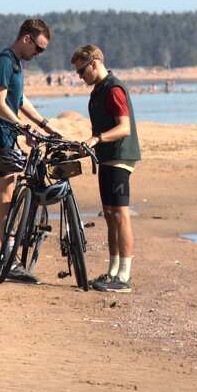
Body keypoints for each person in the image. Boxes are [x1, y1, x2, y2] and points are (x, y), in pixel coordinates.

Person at [0, 18, 59, 282]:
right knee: (7, 198)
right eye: (39, 48)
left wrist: (42, 124)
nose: (39, 54)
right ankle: (8, 261)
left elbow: (18, 100)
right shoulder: (4, 61)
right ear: (26, 39)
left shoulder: (15, 64)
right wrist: (22, 127)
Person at [72, 44, 141, 293]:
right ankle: (112, 271)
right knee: (109, 215)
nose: (81, 77)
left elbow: (125, 128)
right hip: (106, 158)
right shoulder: (98, 90)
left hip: (120, 157)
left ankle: (124, 275)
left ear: (94, 63)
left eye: (82, 72)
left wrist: (97, 138)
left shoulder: (113, 89)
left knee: (121, 215)